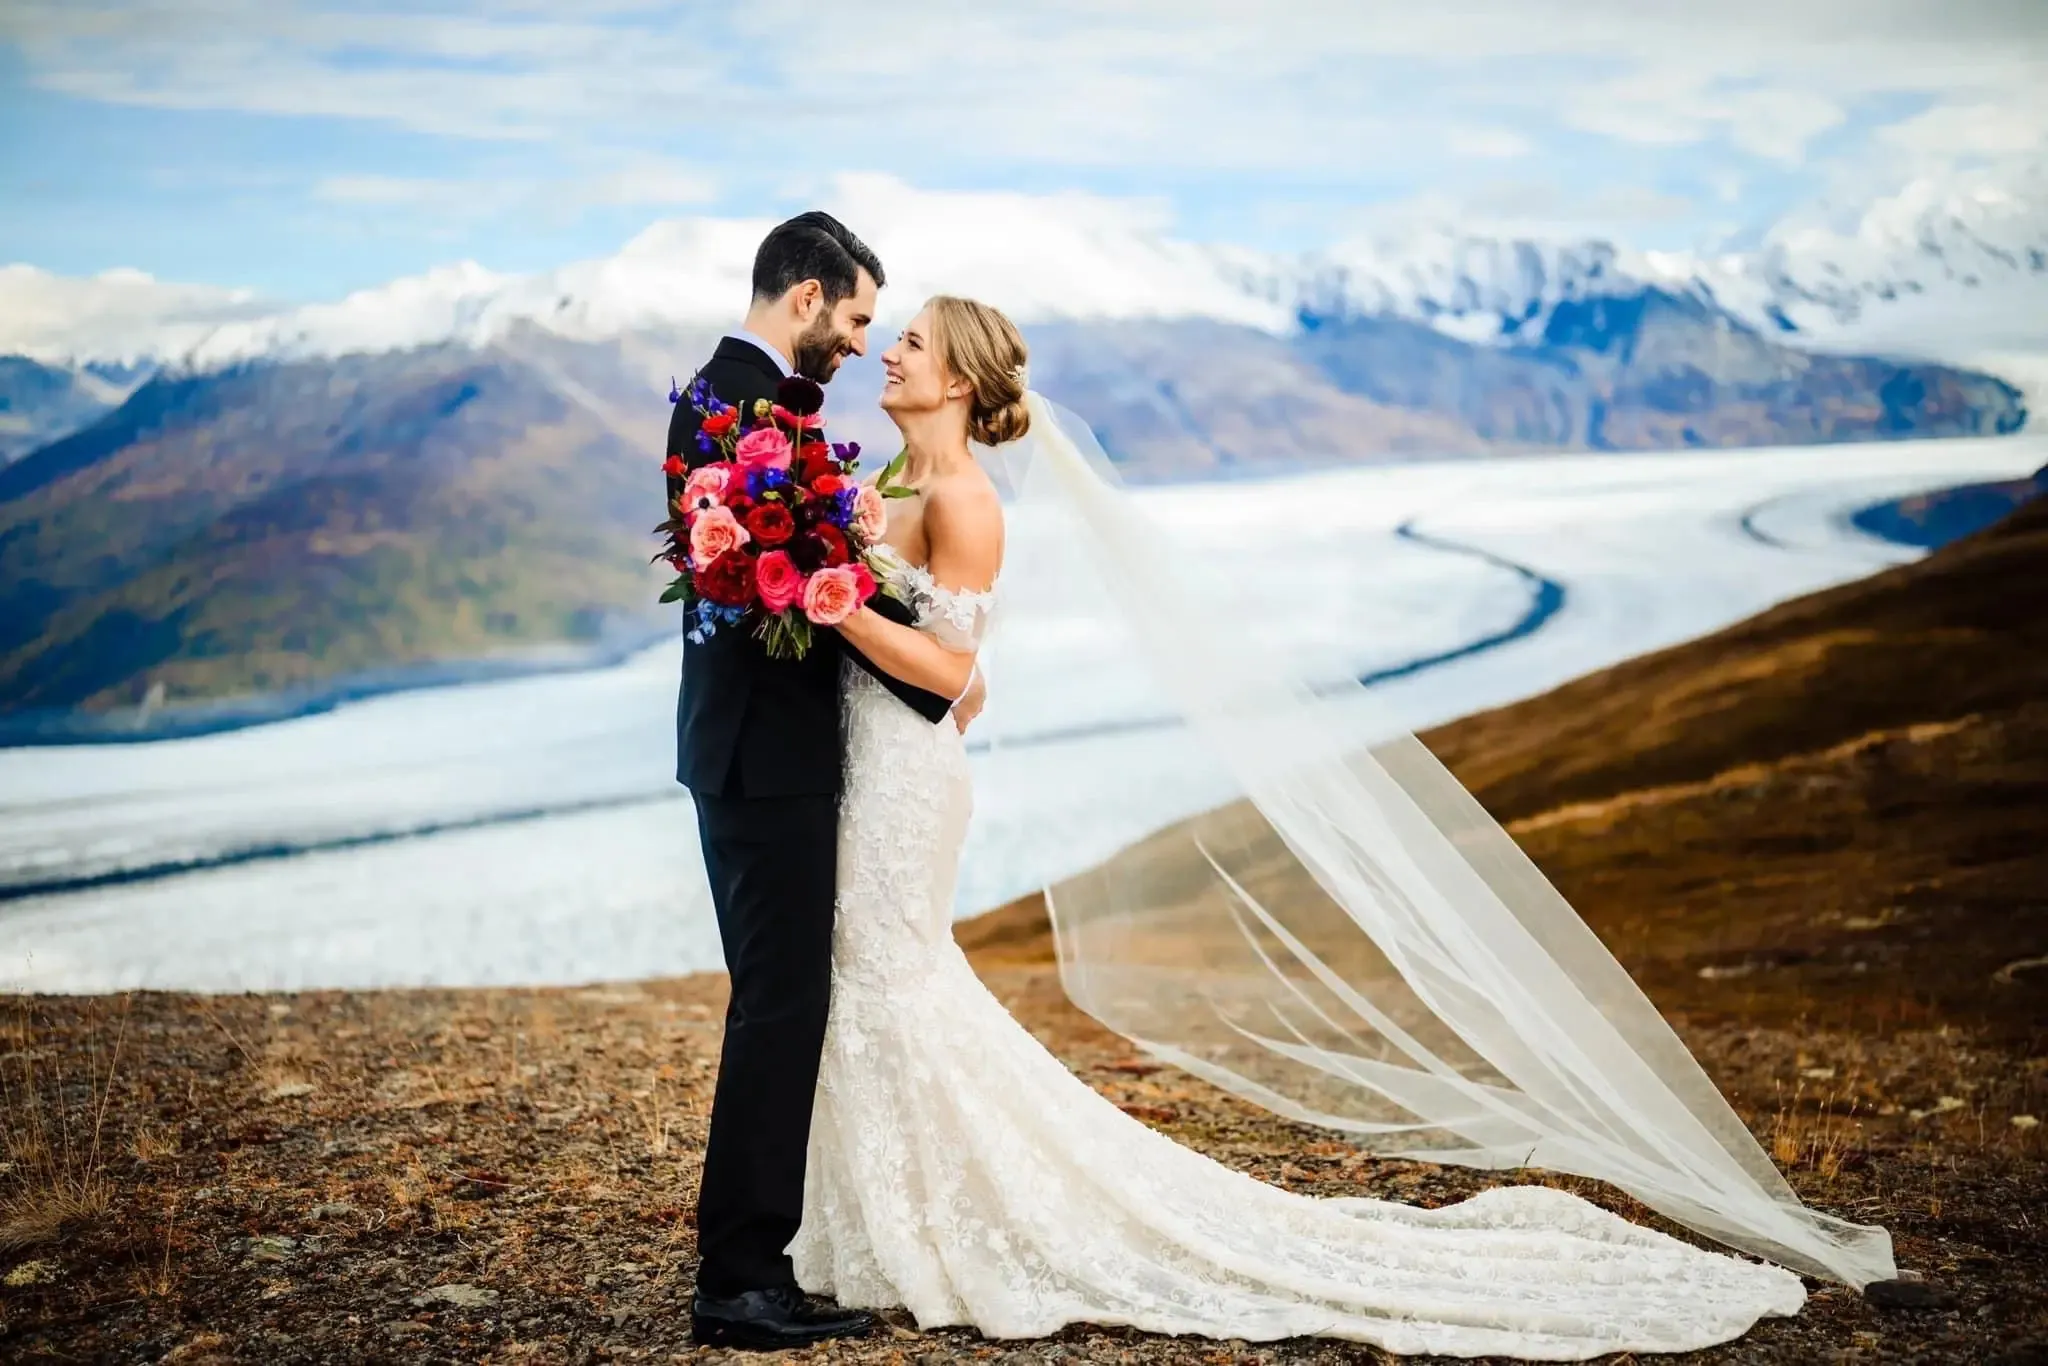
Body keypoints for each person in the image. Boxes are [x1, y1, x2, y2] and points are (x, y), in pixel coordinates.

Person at [783, 294, 1815, 1359]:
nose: (888, 354)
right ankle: (874, 1220)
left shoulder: (965, 498)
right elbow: (968, 678)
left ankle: (937, 1223)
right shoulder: (889, 479)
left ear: (957, 380)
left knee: (887, 980)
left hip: (905, 783)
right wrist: (851, 586)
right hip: (869, 760)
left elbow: (950, 668)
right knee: (865, 976)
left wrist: (835, 603)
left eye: (909, 343)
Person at [666, 212, 954, 1350]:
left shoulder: (735, 400)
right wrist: (932, 668)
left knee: (781, 999)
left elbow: (805, 566)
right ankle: (737, 1277)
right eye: (855, 316)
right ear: (804, 297)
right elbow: (792, 578)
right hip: (762, 752)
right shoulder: (736, 411)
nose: (857, 339)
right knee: (781, 1003)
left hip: (751, 745)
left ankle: (752, 1258)